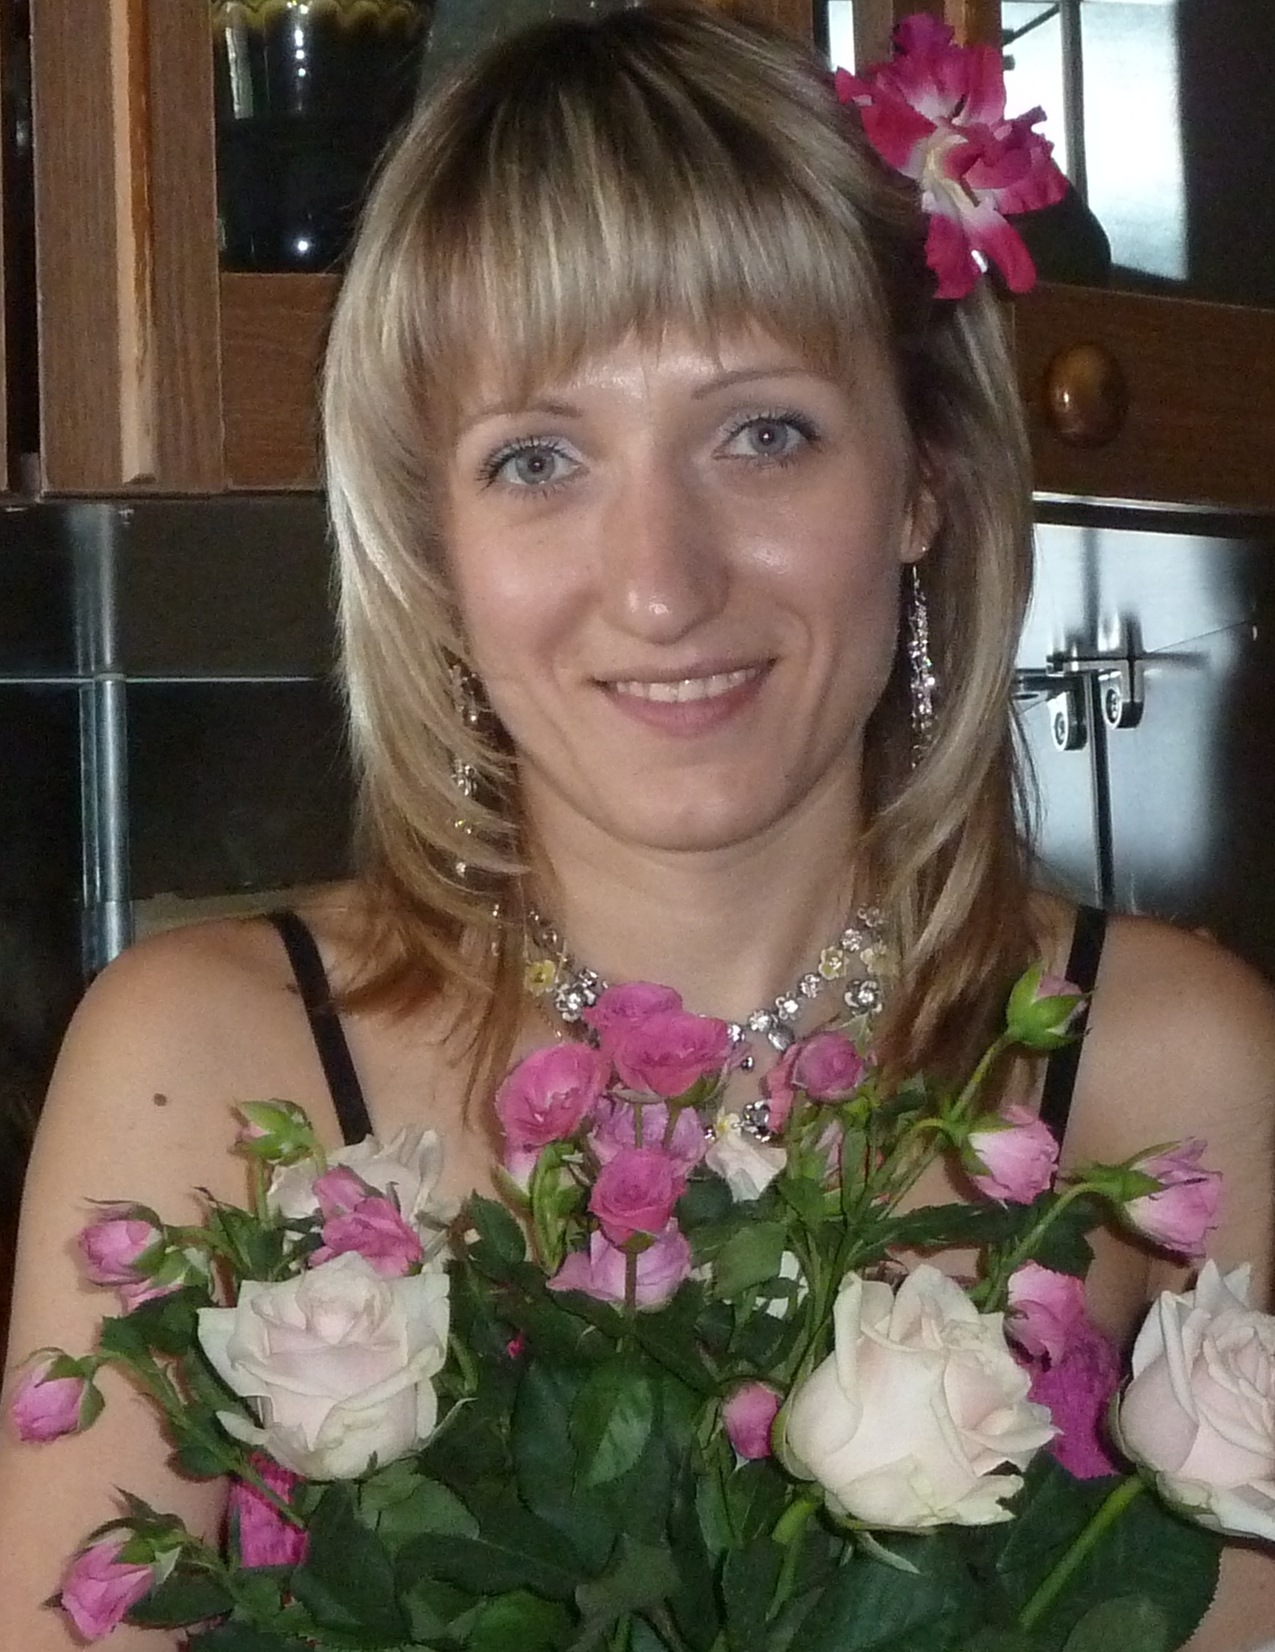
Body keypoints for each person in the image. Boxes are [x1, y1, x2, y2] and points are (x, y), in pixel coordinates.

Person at [2, 7, 1274, 1648]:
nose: (662, 584)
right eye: (538, 459)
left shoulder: (1176, 1076)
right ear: (431, 544)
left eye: (765, 434)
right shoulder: (202, 1069)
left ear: (925, 479)